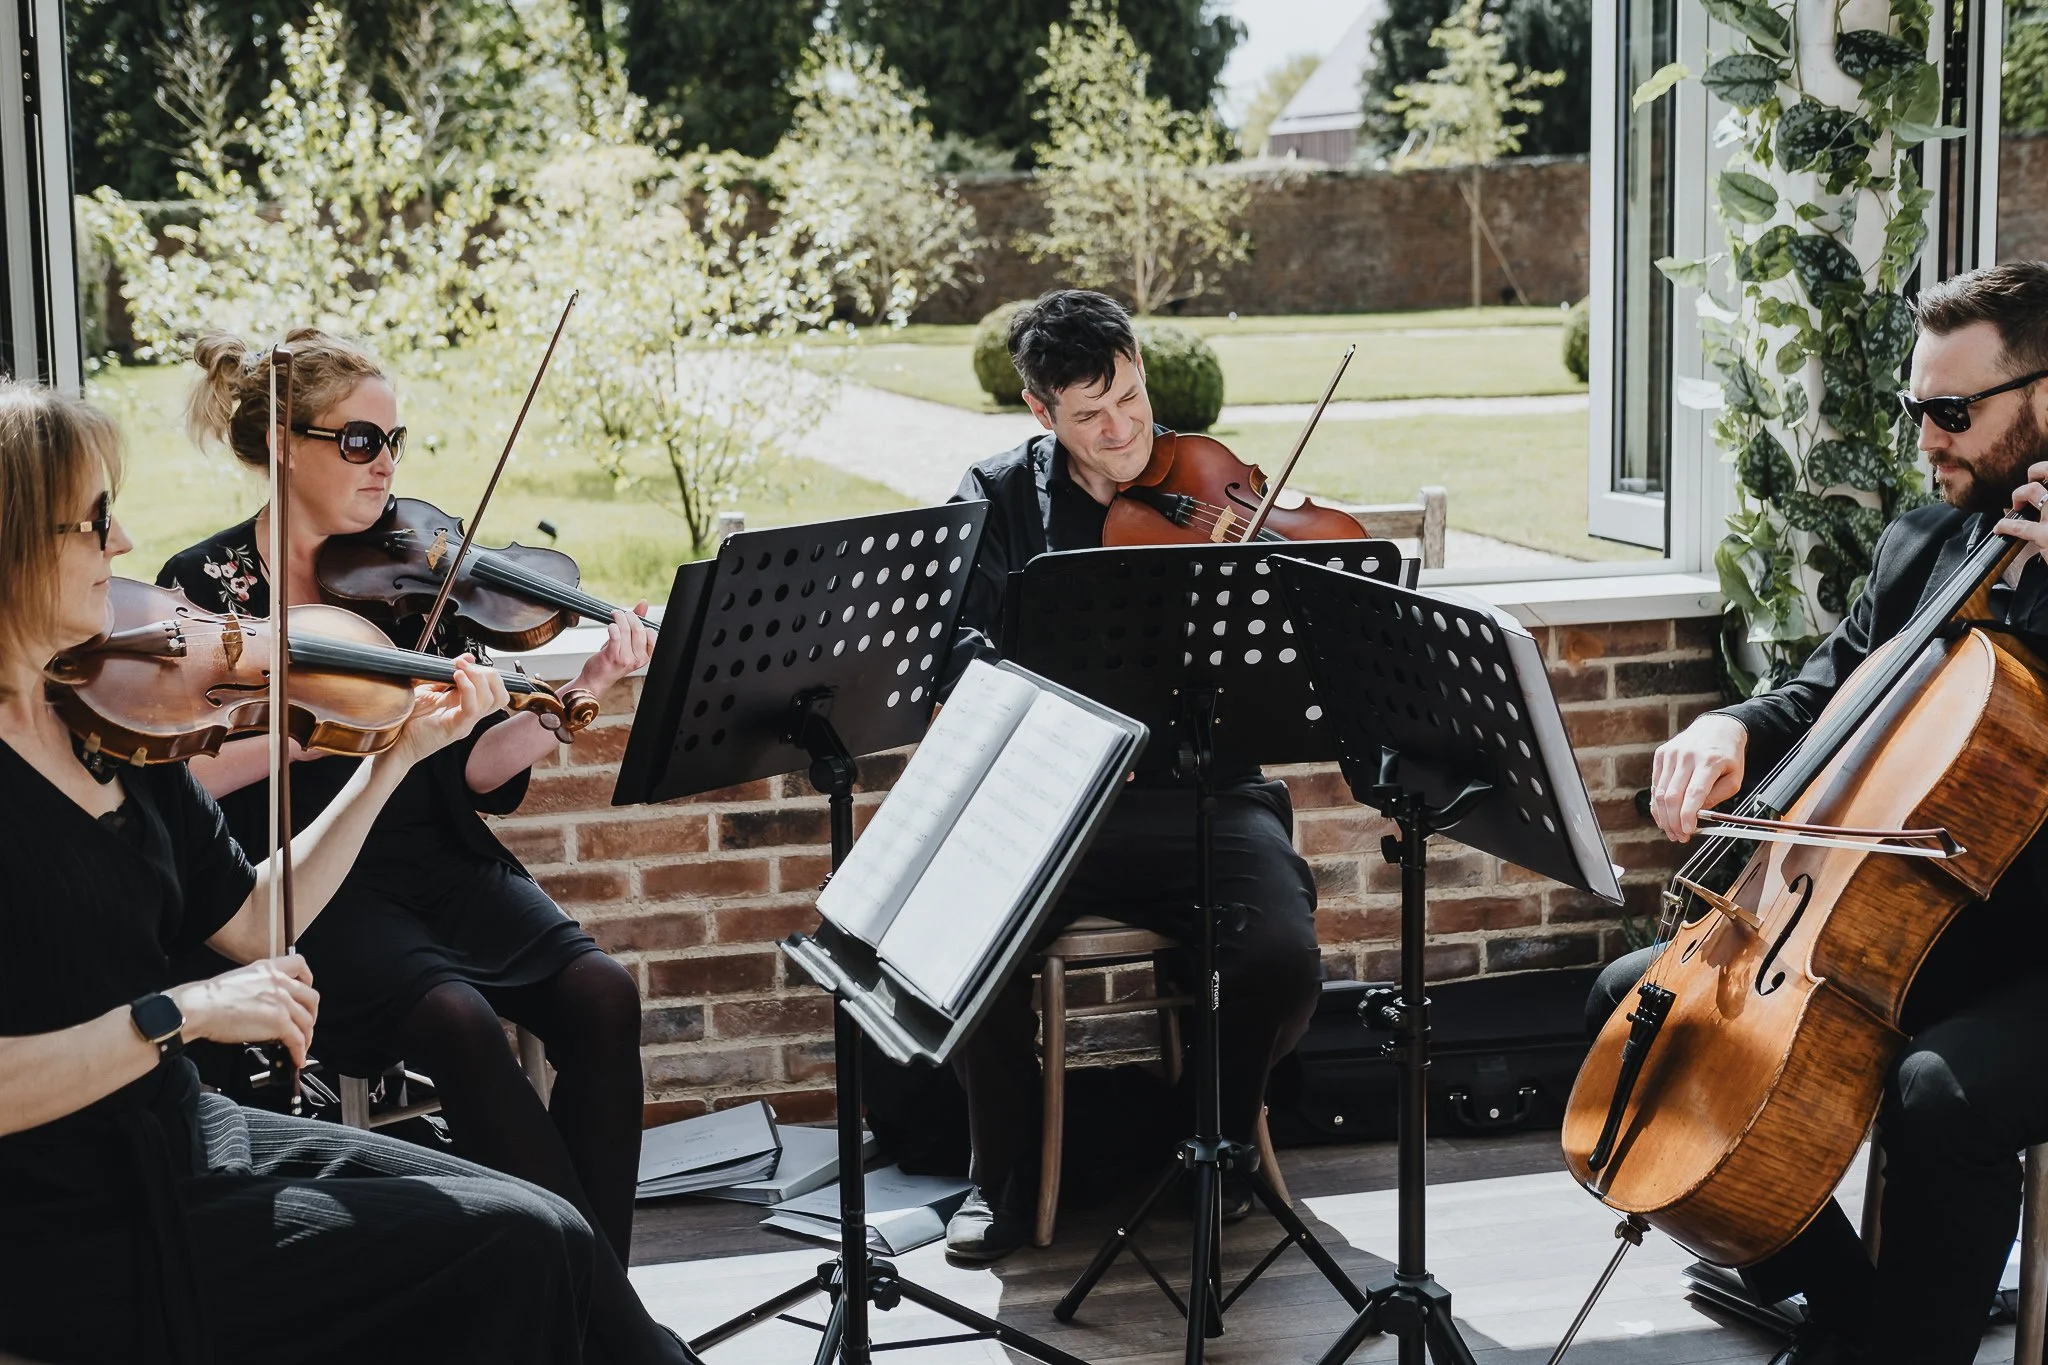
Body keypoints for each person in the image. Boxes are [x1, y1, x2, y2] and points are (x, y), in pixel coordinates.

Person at [0, 378, 600, 1362]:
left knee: (552, 1229)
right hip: (62, 1217)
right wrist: (182, 1011)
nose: (123, 543)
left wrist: (390, 761)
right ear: (14, 542)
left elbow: (255, 919)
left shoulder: (105, 717)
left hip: (182, 1132)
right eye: (96, 521)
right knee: (512, 1252)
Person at [158, 329, 688, 1364]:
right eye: (360, 440)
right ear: (284, 445)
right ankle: (623, 1340)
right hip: (314, 874)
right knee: (454, 1018)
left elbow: (476, 771)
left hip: (436, 857)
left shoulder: (412, 579)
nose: (386, 465)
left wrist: (586, 690)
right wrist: (323, 718)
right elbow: (183, 772)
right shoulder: (207, 587)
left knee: (602, 994)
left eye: (393, 440)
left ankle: (588, 1319)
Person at [1593, 261, 2048, 1365]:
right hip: (1913, 924)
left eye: (1952, 412)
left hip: (2036, 951)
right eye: (1915, 408)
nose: (1925, 438)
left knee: (1937, 1092)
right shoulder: (1926, 544)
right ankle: (1852, 1317)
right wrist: (1730, 727)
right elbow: (1820, 690)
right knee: (1638, 1008)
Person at [938, 289, 1322, 1261]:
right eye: (1088, 416)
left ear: (1141, 371)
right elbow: (953, 649)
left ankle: (1213, 1146)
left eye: (1128, 400)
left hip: (1204, 788)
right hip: (1053, 800)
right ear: (1039, 412)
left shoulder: (1207, 483)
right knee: (967, 940)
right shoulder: (994, 497)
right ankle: (999, 1177)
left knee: (1281, 956)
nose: (1119, 432)